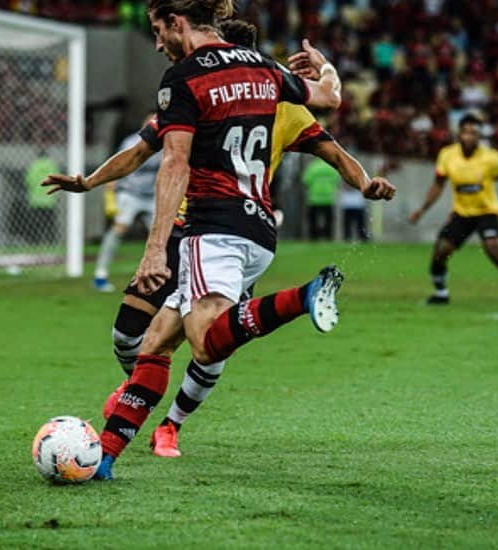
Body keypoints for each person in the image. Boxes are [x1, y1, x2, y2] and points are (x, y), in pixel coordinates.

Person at [42, 18, 395, 464]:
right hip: (241, 230)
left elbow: (168, 161)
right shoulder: (274, 88)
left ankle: (174, 420)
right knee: (149, 342)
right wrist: (326, 69)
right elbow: (334, 108)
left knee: (207, 343)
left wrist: (143, 238)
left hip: (211, 227)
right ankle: (105, 458)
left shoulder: (206, 85)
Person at [408, 113, 498, 310]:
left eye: (474, 133)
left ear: (480, 136)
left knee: (493, 249)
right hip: (461, 214)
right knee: (441, 252)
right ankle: (441, 293)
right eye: (466, 132)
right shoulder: (447, 155)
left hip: (486, 211)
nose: (469, 137)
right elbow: (438, 185)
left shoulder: (492, 158)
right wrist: (422, 210)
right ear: (459, 133)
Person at [93, 115, 162, 292]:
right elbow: (120, 164)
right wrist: (110, 192)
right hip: (130, 193)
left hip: (152, 195)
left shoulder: (166, 145)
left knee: (162, 236)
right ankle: (100, 274)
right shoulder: (132, 142)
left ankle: (160, 277)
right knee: (120, 228)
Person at [24, 149, 58, 243]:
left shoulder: (33, 166)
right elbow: (58, 181)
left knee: (36, 223)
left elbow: (28, 181)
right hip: (49, 199)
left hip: (35, 200)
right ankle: (51, 240)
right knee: (50, 223)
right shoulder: (51, 165)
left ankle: (35, 241)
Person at [302, 157, 339, 240]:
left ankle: (314, 237)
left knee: (313, 220)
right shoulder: (331, 167)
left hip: (314, 198)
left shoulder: (312, 167)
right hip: (328, 198)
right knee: (329, 220)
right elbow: (337, 180)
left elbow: (306, 181)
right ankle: (328, 236)